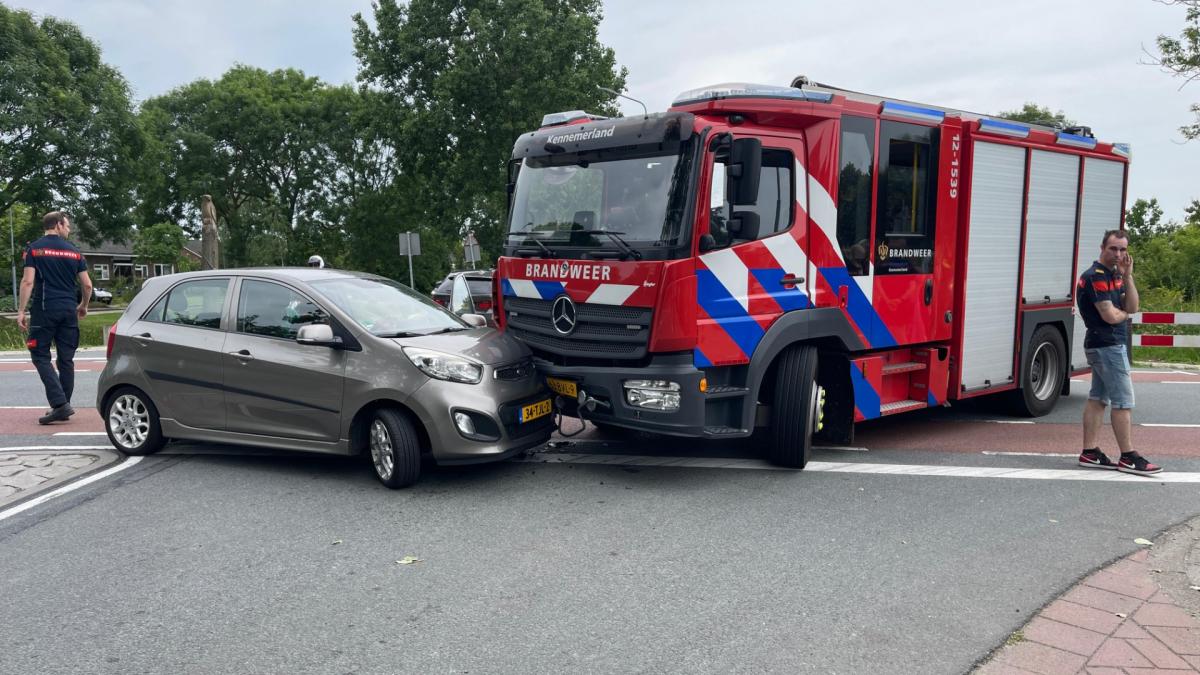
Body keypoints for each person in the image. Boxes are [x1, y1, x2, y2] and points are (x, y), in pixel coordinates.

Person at [1076, 229, 1161, 475]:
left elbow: (1133, 305)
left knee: (1098, 398)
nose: (1118, 254)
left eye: (1123, 249)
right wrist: (1123, 315)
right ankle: (1128, 456)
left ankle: (1089, 452)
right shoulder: (1096, 276)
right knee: (1123, 401)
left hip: (1104, 344)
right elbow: (1112, 316)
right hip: (1107, 345)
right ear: (1102, 247)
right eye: (1113, 248)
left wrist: (1128, 277)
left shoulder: (1116, 276)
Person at [16, 212, 93, 425]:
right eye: (67, 225)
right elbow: (87, 285)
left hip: (44, 309)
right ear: (58, 225)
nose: (69, 230)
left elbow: (27, 282)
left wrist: (21, 311)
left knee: (40, 354)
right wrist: (83, 306)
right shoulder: (75, 252)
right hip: (69, 310)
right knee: (66, 360)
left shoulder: (34, 249)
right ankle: (63, 404)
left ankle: (59, 404)